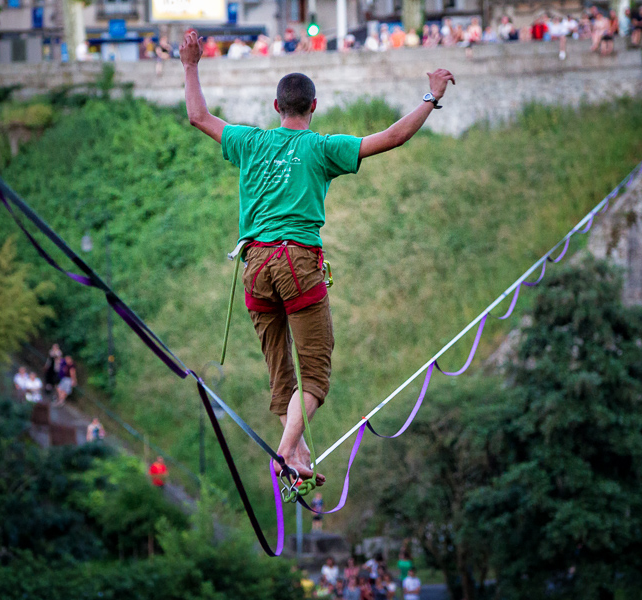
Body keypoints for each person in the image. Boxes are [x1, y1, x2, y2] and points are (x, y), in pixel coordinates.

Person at [179, 29, 454, 485]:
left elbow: (197, 115)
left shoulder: (249, 142)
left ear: (276, 107)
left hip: (254, 268)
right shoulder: (323, 148)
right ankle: (285, 454)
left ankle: (297, 454)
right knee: (315, 377)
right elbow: (393, 136)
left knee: (283, 377)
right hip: (296, 263)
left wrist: (190, 64)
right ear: (313, 107)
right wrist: (432, 96)